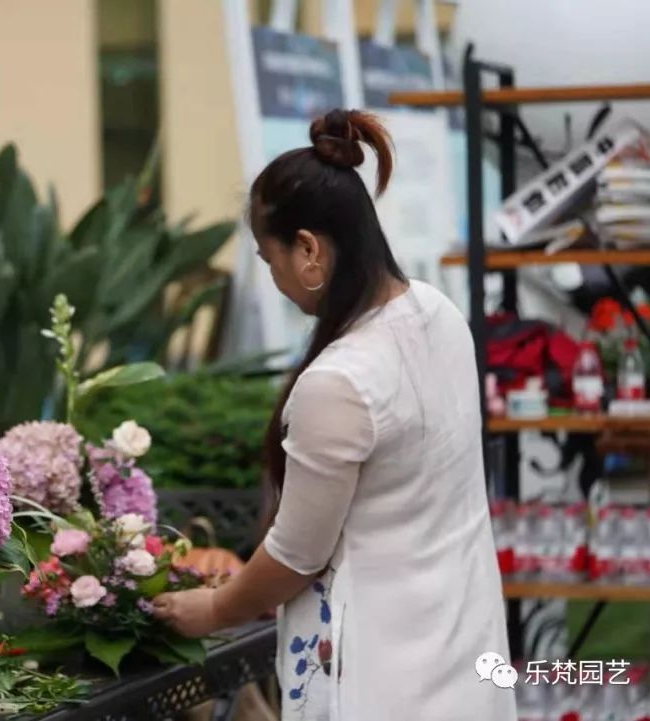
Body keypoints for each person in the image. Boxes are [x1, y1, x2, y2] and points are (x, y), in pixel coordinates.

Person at [153, 109, 516, 721]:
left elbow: (296, 555)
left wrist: (212, 611)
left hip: (379, 677)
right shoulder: (438, 314)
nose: (276, 281)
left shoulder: (340, 381)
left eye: (271, 263)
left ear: (309, 250)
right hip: (463, 648)